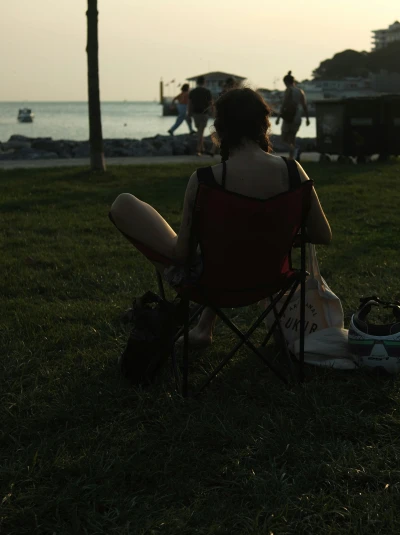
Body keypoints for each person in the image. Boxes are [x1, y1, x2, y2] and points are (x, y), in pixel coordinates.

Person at [110, 88, 331, 348]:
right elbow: (322, 234)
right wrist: (275, 234)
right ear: (264, 125)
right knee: (230, 243)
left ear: (220, 129)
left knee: (123, 204)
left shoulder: (206, 180)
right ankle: (204, 328)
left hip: (212, 284)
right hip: (270, 278)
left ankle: (201, 328)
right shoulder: (294, 172)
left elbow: (182, 255)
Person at [276, 71, 310, 160]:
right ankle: (292, 157)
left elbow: (285, 104)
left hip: (289, 116)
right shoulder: (300, 91)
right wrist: (307, 118)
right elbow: (304, 105)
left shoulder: (289, 90)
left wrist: (279, 117)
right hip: (297, 117)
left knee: (283, 139)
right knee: (292, 138)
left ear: (286, 82)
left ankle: (295, 149)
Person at [188, 76, 213, 155]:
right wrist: (212, 112)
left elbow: (190, 104)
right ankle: (198, 149)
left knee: (200, 131)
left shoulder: (192, 92)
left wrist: (189, 114)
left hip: (195, 114)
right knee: (201, 132)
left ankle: (201, 148)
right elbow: (211, 103)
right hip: (204, 113)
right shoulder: (207, 91)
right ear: (204, 82)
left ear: (197, 82)